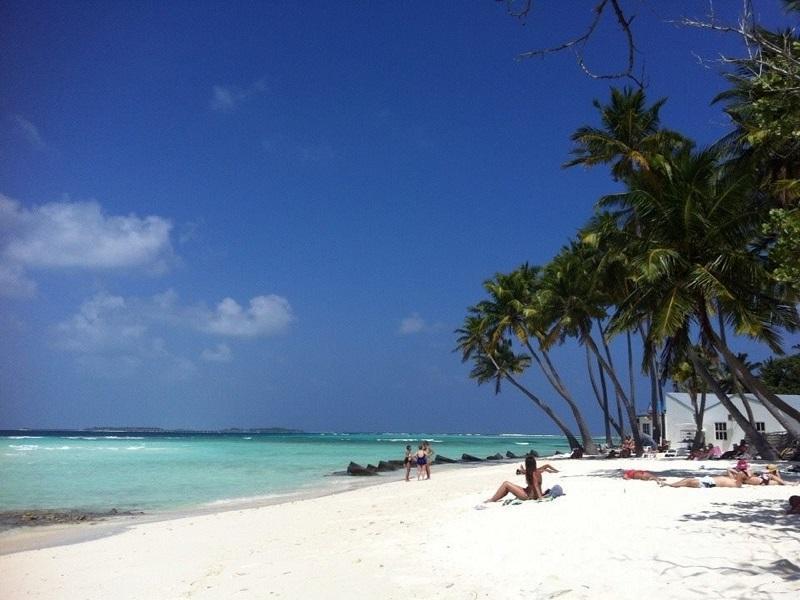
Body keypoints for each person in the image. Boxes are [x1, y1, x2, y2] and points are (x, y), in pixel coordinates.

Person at [659, 471, 746, 488]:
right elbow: (728, 469)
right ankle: (671, 484)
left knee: (689, 482)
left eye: (740, 473)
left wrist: (745, 475)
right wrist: (737, 472)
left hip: (710, 483)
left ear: (741, 477)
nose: (738, 472)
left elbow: (741, 480)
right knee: (688, 479)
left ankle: (669, 485)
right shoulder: (733, 479)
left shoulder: (737, 484)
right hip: (708, 479)